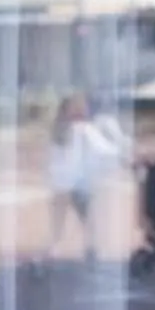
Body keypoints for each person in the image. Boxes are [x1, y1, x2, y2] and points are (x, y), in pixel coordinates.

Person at [46, 93, 128, 261]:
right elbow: (103, 150)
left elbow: (101, 149)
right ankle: (81, 246)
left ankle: (83, 245)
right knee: (80, 214)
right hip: (73, 182)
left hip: (73, 182)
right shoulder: (76, 129)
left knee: (84, 215)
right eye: (78, 106)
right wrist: (121, 155)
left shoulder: (72, 129)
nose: (84, 109)